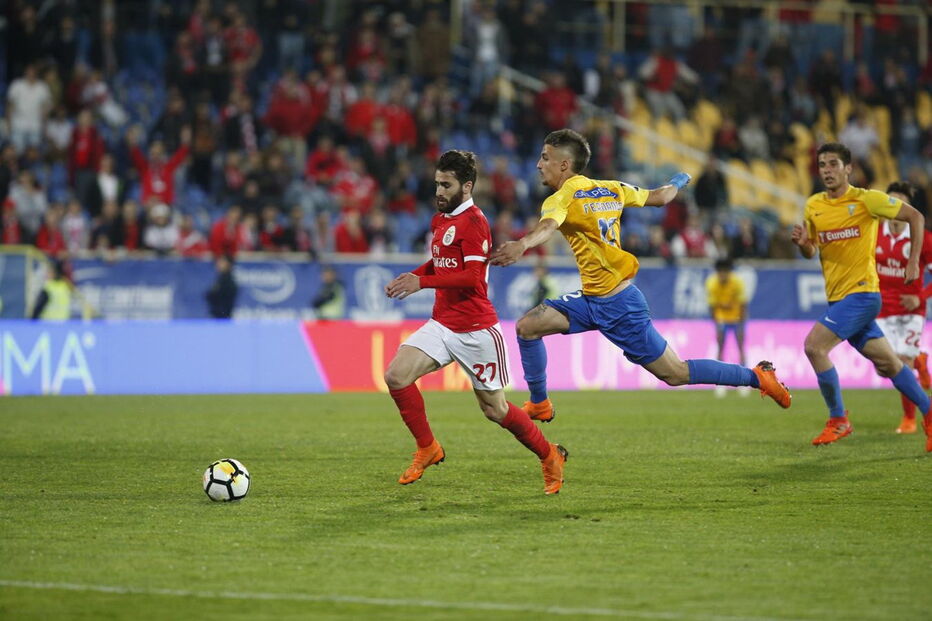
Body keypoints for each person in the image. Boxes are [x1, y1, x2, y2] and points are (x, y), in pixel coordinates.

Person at [489, 129, 791, 425]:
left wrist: (522, 244)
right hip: (591, 299)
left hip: (618, 306)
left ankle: (756, 377)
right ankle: (540, 404)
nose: (539, 164)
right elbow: (660, 197)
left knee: (676, 373)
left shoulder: (561, 198)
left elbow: (547, 227)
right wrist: (678, 181)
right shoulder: (612, 188)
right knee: (528, 327)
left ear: (564, 164)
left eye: (545, 157)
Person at [383, 150, 568, 495]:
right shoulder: (440, 220)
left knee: (495, 410)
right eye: (437, 183)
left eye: (446, 185)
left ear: (466, 186)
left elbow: (470, 277)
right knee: (396, 376)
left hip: (476, 330)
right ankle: (428, 447)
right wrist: (414, 276)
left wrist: (422, 283)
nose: (439, 191)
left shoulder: (474, 223)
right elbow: (439, 262)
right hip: (442, 324)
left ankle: (550, 455)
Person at [791, 143, 931, 450]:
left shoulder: (867, 200)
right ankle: (930, 412)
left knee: (814, 347)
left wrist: (912, 261)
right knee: (890, 364)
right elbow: (812, 250)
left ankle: (838, 419)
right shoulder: (814, 205)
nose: (827, 170)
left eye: (833, 164)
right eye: (822, 165)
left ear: (848, 169)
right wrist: (804, 245)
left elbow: (916, 217)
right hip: (838, 298)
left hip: (864, 294)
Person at [873, 181, 932, 434]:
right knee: (884, 367)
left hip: (911, 311)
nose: (894, 207)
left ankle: (909, 419)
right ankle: (920, 361)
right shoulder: (873, 233)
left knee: (902, 363)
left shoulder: (923, 238)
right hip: (881, 310)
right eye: (890, 202)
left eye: (900, 203)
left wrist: (920, 297)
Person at [706, 258, 748, 398]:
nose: (723, 275)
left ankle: (744, 382)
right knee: (720, 348)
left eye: (725, 272)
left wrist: (741, 323)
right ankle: (720, 383)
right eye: (720, 272)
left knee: (740, 348)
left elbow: (743, 304)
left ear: (729, 272)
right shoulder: (712, 283)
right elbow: (712, 306)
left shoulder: (737, 282)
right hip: (721, 319)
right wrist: (716, 323)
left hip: (736, 318)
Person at [206, 254, 237, 319]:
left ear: (228, 264)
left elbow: (223, 299)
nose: (218, 264)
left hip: (223, 317)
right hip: (218, 316)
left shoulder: (228, 281)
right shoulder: (221, 279)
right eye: (219, 262)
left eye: (222, 262)